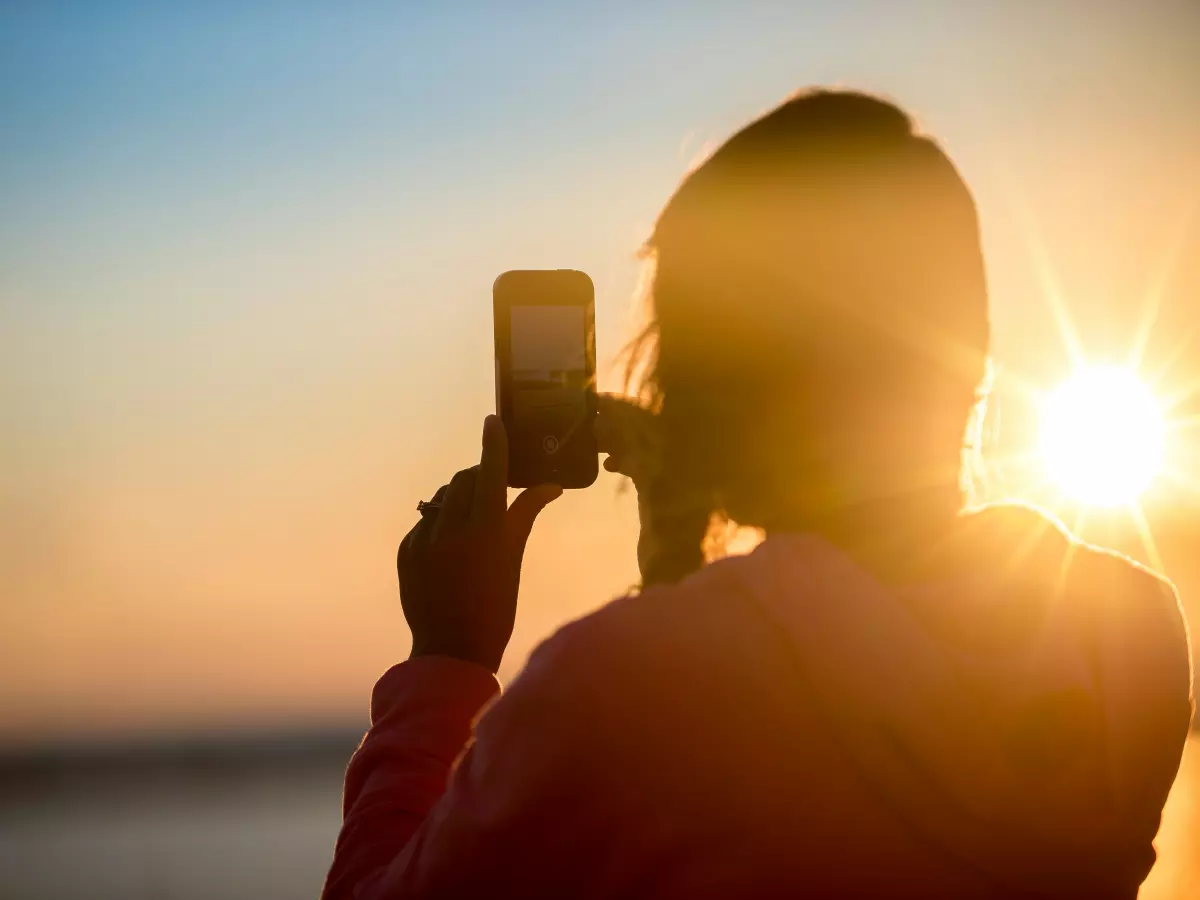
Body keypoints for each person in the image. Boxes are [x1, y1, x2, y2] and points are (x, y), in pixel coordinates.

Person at [321, 90, 1193, 899]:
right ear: (975, 343)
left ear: (702, 376)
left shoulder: (614, 688)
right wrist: (675, 570)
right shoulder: (1133, 636)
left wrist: (445, 660)